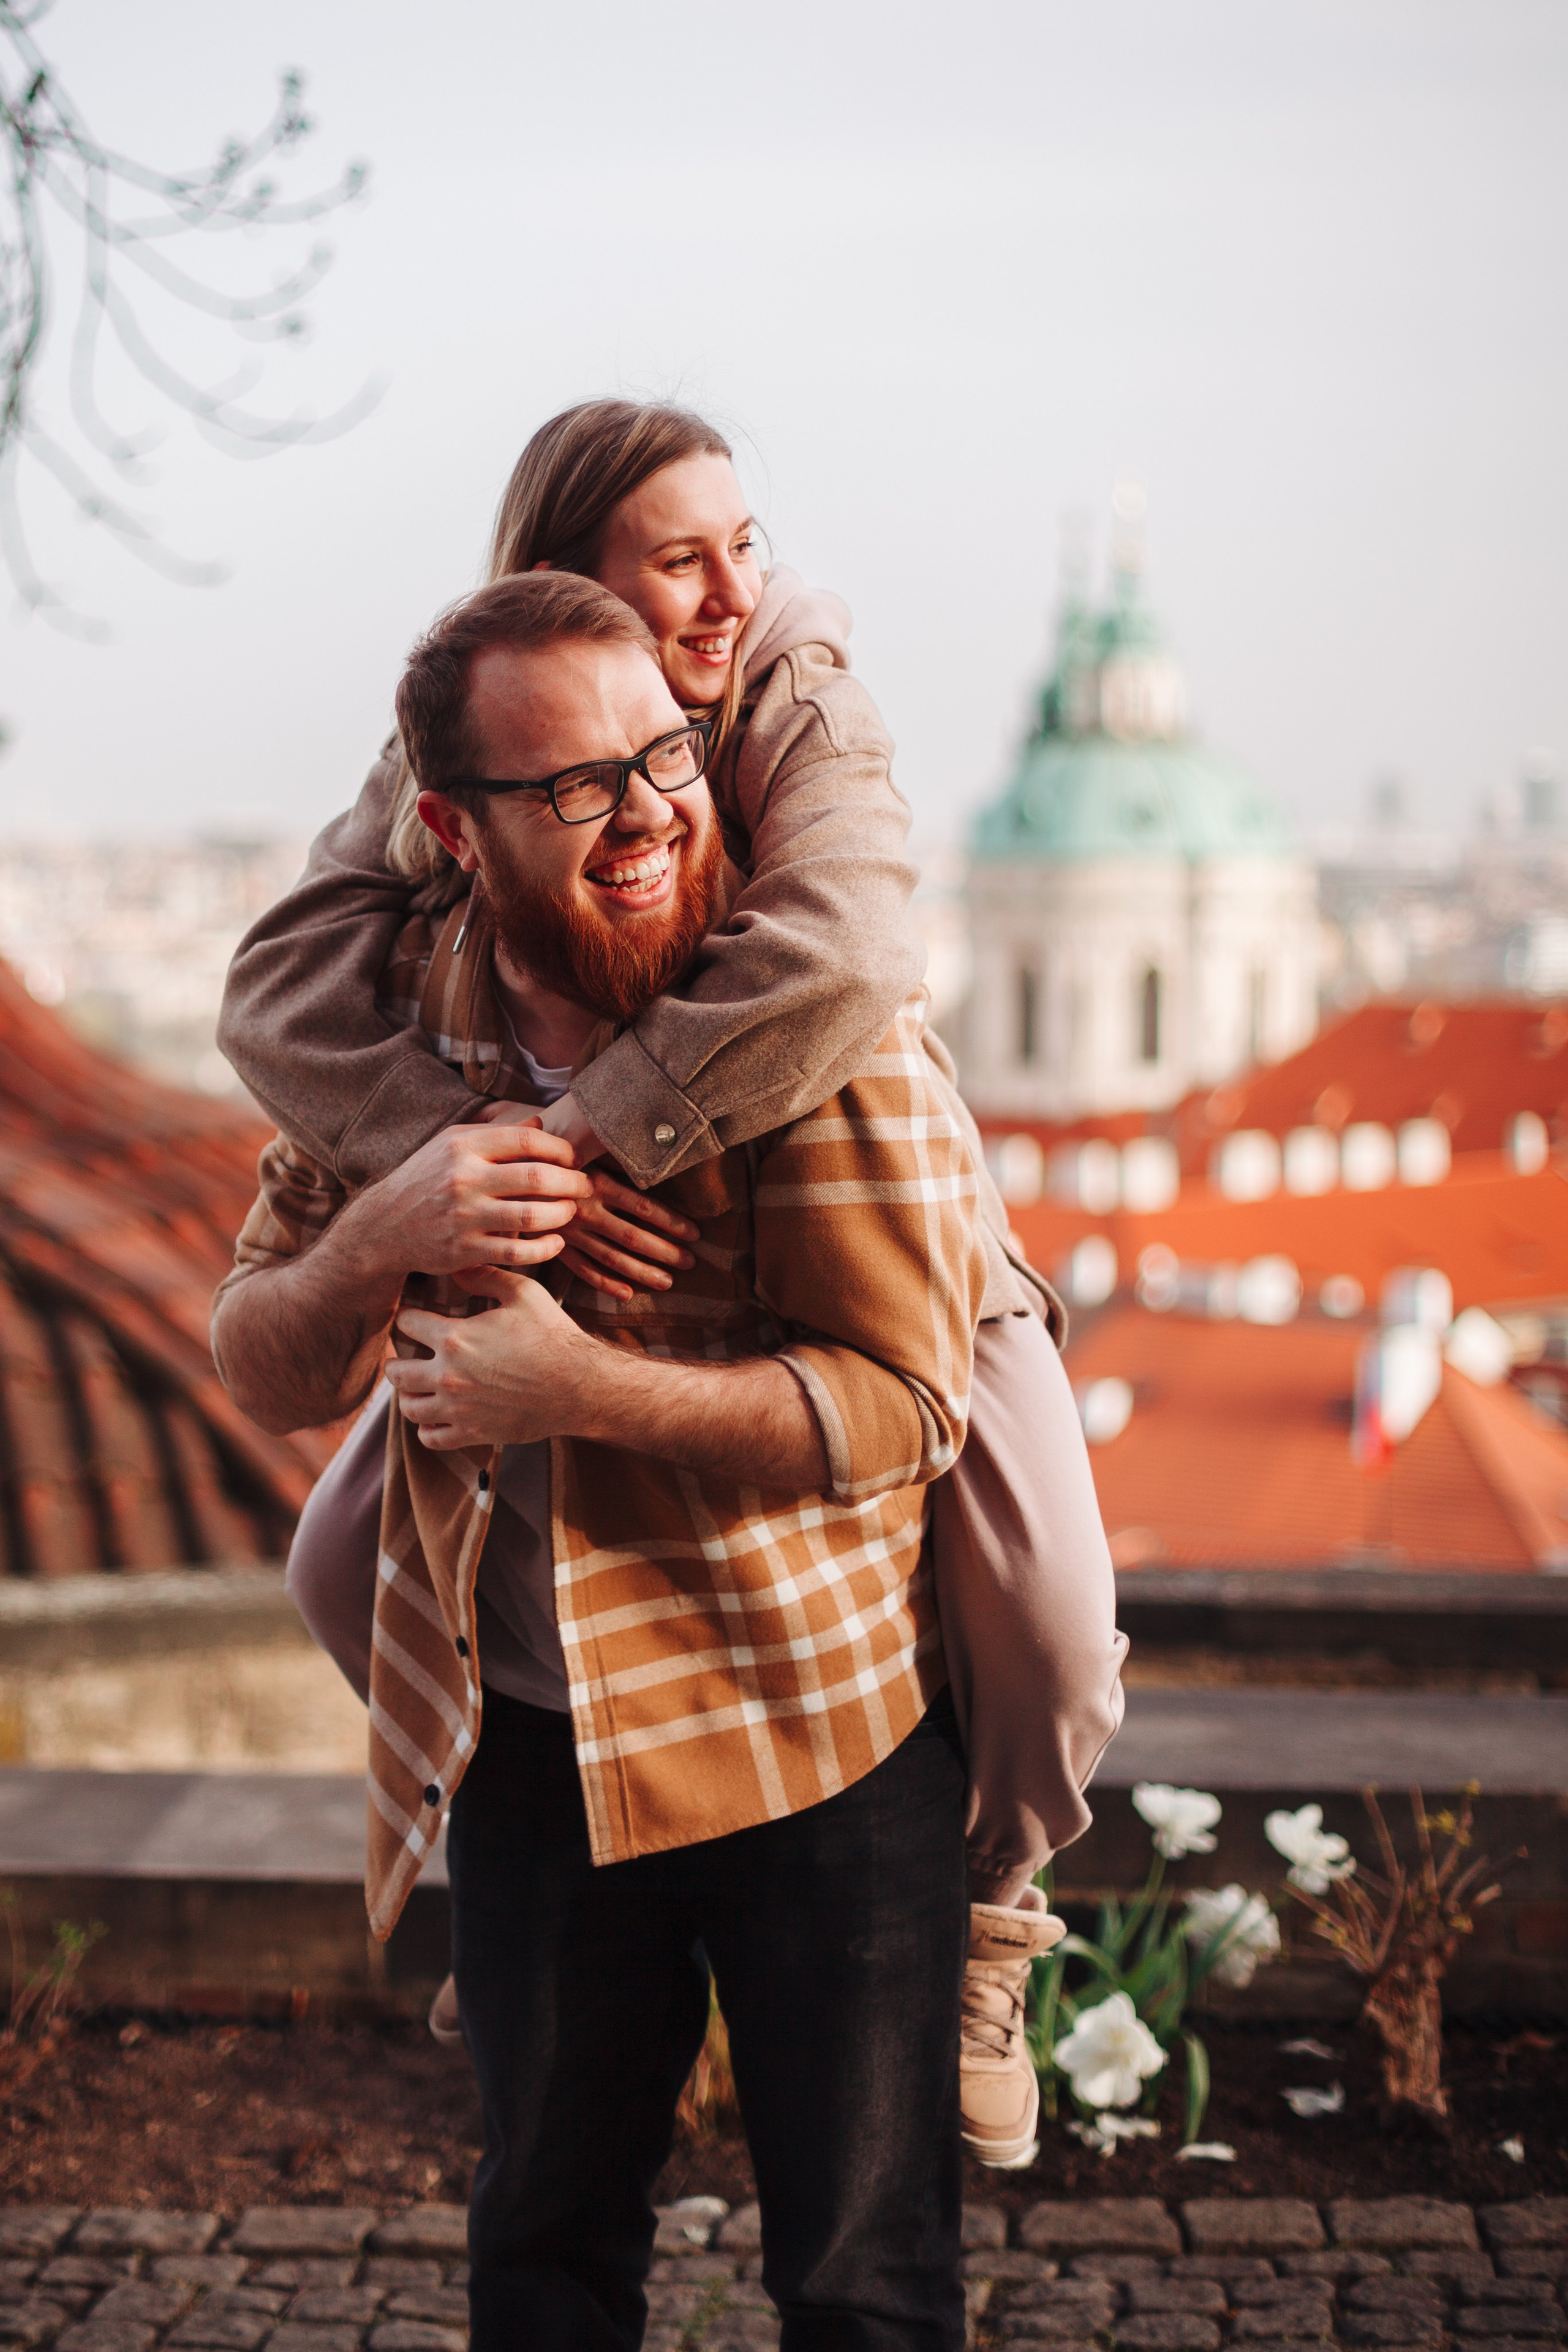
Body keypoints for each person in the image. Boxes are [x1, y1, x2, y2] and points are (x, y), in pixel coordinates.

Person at [219, 399, 1125, 2173]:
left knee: (1053, 1614)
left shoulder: (797, 686)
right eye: (680, 560)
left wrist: (587, 1145)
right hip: (551, 1188)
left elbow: (851, 954)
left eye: (743, 546)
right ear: (569, 585)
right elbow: (275, 988)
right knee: (338, 1567)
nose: (731, 592)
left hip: (901, 1217)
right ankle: (509, 1893)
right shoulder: (476, 725)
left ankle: (997, 1915)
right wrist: (455, 1155)